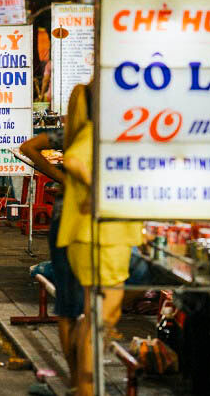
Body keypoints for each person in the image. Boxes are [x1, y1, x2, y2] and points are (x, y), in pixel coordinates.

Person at [58, 83, 142, 396]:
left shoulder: (106, 133)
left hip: (103, 236)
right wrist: (97, 188)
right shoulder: (97, 133)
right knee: (102, 318)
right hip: (102, 238)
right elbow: (73, 160)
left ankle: (83, 385)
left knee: (98, 317)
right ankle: (87, 389)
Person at [19, 126, 81, 369]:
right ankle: (77, 377)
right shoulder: (75, 133)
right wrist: (64, 178)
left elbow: (29, 147)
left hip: (83, 221)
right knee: (72, 301)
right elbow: (28, 147)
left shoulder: (75, 134)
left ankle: (79, 376)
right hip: (71, 220)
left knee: (74, 302)